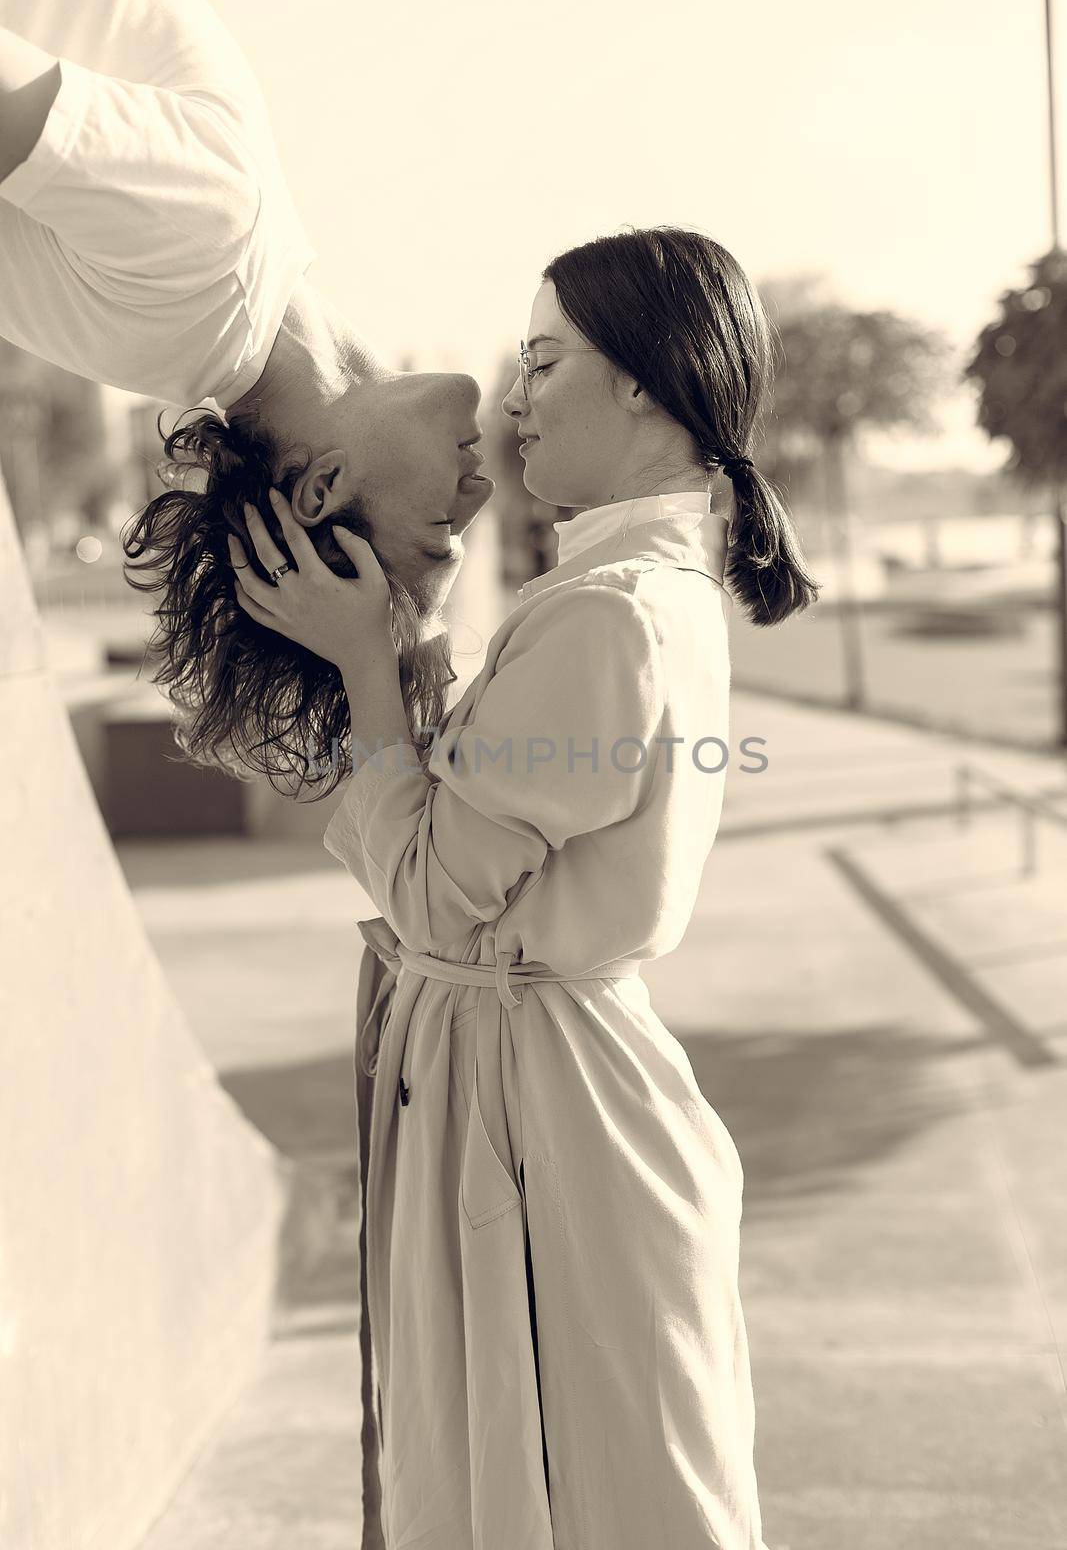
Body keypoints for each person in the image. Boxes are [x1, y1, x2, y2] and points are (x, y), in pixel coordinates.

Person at [233, 225, 820, 1548]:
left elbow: (438, 898)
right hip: (534, 1075)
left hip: (539, 1093)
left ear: (640, 386)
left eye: (543, 362)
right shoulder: (626, 590)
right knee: (574, 1479)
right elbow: (463, 835)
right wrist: (400, 648)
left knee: (575, 1488)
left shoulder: (608, 610)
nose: (508, 398)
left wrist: (365, 668)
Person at [0, 0, 496, 788]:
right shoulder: (179, 334)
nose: (479, 493)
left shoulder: (212, 254)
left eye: (441, 533)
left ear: (319, 488)